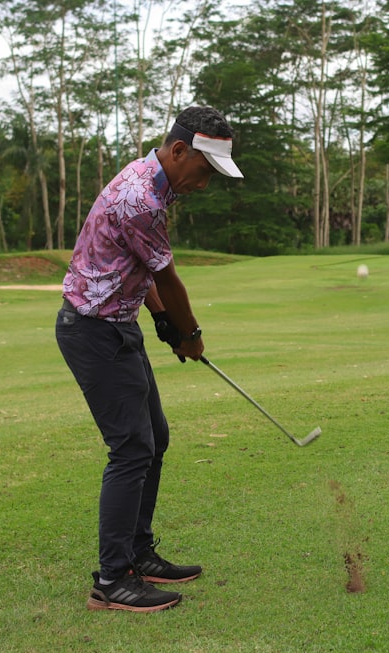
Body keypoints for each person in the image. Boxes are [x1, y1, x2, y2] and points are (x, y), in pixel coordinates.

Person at [55, 106, 243, 612]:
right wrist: (189, 332)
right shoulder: (142, 198)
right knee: (131, 449)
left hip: (117, 326)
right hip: (94, 332)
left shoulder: (155, 185)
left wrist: (160, 321)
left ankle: (138, 552)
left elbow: (138, 270)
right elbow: (167, 278)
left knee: (153, 438)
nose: (205, 184)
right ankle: (113, 580)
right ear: (179, 151)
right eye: (204, 172)